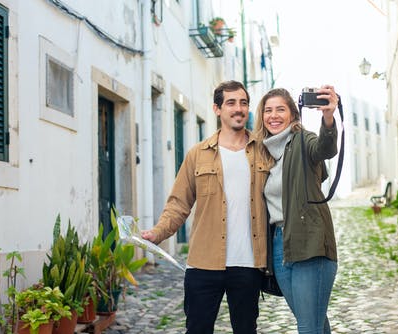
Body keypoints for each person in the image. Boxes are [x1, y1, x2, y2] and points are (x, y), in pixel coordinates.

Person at [141, 80, 269, 334]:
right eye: (231, 103)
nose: (238, 109)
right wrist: (158, 233)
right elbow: (179, 203)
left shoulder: (264, 152)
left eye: (243, 103)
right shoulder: (197, 154)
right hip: (203, 263)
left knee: (246, 330)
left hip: (249, 263)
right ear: (217, 109)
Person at [254, 86, 339, 333]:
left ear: (293, 114)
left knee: (308, 326)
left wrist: (329, 117)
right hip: (280, 246)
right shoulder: (264, 153)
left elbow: (325, 148)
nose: (274, 115)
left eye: (281, 109)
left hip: (309, 243)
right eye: (268, 110)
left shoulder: (303, 139)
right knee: (313, 321)